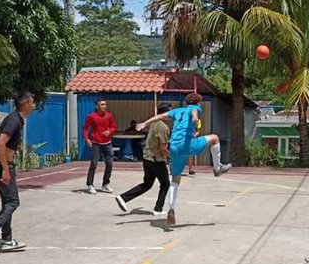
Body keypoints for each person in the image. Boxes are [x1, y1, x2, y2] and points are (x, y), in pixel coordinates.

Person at [136, 93, 231, 225]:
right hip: (186, 144)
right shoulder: (195, 108)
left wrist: (144, 123)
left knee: (175, 179)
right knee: (214, 138)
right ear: (198, 103)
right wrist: (195, 117)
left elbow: (160, 116)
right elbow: (193, 112)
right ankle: (217, 168)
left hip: (174, 147)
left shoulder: (177, 111)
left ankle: (171, 209)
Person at [0, 91, 35, 254]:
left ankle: (7, 239)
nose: (34, 105)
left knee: (7, 203)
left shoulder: (14, 119)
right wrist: (5, 168)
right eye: (32, 103)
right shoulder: (14, 120)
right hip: (2, 166)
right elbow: (1, 143)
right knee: (13, 203)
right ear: (26, 104)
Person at [114, 103, 172, 216]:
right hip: (157, 159)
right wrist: (172, 157)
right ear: (165, 113)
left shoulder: (154, 123)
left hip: (147, 158)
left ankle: (123, 197)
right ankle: (158, 209)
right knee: (165, 184)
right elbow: (163, 148)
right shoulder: (164, 127)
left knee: (147, 184)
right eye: (169, 112)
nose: (171, 115)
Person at [83, 98, 117, 194]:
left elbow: (114, 127)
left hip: (107, 143)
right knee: (94, 163)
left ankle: (105, 184)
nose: (104, 106)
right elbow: (85, 129)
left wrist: (109, 131)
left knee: (110, 163)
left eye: (105, 104)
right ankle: (90, 184)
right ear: (97, 106)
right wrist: (87, 139)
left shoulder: (109, 116)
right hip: (96, 144)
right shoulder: (91, 116)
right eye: (102, 104)